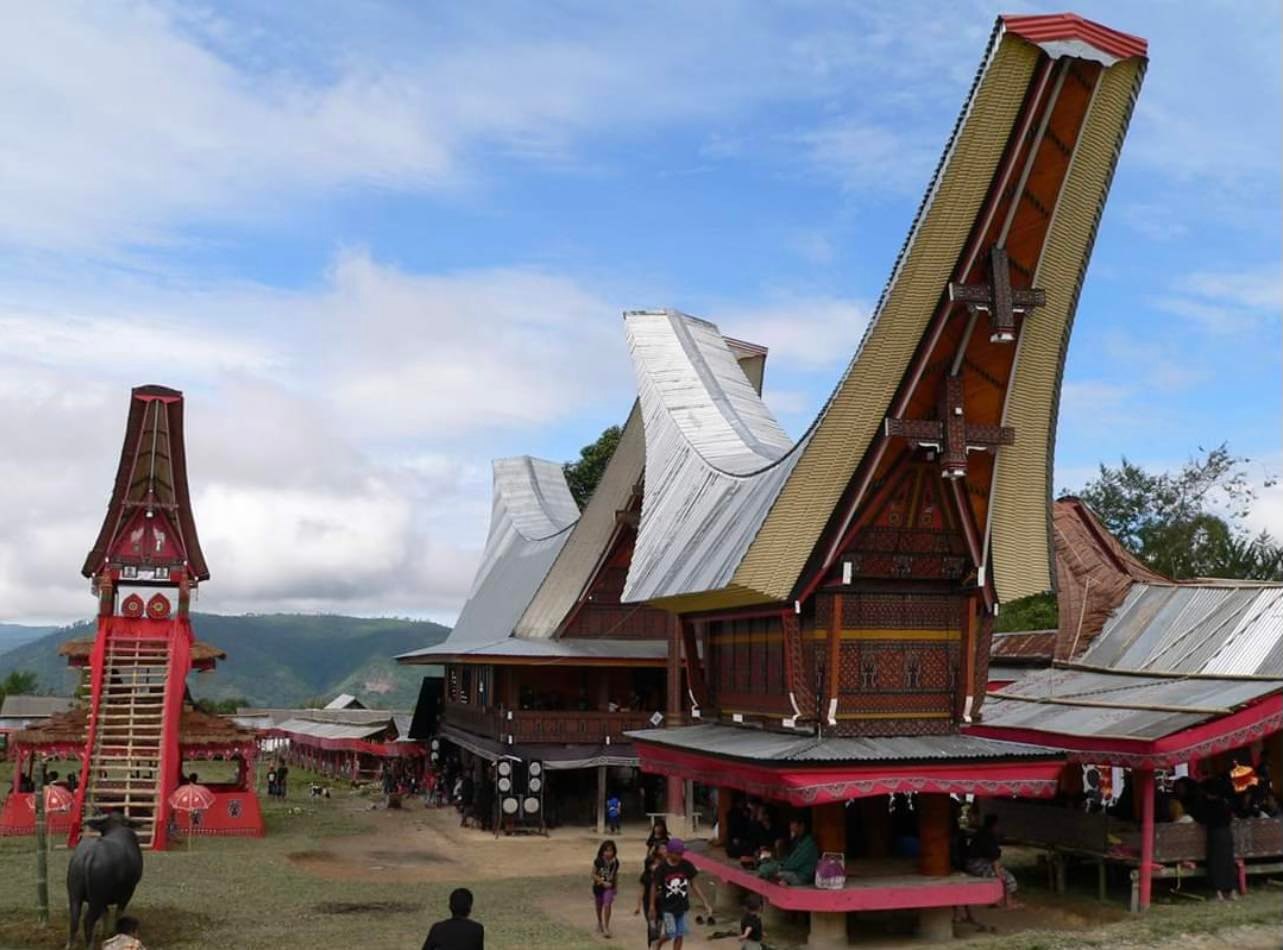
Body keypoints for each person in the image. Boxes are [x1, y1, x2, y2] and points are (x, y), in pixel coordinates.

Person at [653, 839, 711, 950]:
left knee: (680, 934)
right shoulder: (662, 868)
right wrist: (652, 905)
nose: (680, 856)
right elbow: (654, 886)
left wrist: (705, 901)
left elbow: (694, 884)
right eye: (678, 853)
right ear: (669, 853)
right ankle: (658, 943)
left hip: (682, 906)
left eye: (681, 853)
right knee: (671, 933)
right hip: (668, 907)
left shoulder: (686, 865)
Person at [965, 814, 1022, 909]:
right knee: (1008, 878)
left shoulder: (982, 833)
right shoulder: (988, 836)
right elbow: (994, 858)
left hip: (974, 863)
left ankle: (998, 900)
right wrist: (999, 873)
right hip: (976, 865)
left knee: (1001, 875)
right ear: (995, 825)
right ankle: (1009, 903)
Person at [1198, 778, 1238, 900]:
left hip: (1215, 834)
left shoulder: (1208, 804)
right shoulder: (1225, 803)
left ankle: (1218, 893)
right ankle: (1232, 891)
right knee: (1228, 862)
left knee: (1215, 863)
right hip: (1227, 834)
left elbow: (1202, 819)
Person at [756, 816, 818, 886]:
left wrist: (778, 867)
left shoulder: (809, 844)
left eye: (793, 824)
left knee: (770, 872)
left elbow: (794, 864)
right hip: (792, 871)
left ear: (802, 826)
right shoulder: (798, 841)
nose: (791, 827)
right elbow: (787, 858)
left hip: (801, 876)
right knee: (765, 868)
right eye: (790, 824)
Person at [635, 844, 666, 949]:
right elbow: (641, 891)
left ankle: (657, 947)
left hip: (662, 904)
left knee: (659, 926)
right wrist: (638, 906)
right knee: (651, 927)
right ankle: (651, 946)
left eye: (658, 863)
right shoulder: (645, 877)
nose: (655, 866)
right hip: (649, 904)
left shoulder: (663, 875)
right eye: (653, 864)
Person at [593, 839, 621, 938]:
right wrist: (602, 882)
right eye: (606, 850)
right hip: (598, 887)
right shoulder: (598, 861)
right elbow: (593, 874)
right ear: (602, 851)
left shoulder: (615, 862)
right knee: (599, 905)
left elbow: (616, 875)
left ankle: (606, 927)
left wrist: (616, 886)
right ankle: (600, 922)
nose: (608, 853)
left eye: (610, 850)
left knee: (607, 904)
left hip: (609, 887)